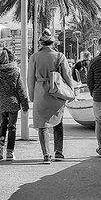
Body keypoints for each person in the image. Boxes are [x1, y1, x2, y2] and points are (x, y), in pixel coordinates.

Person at [27, 29, 74, 164]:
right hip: (57, 92)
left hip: (40, 92)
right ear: (53, 43)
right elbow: (67, 76)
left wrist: (32, 96)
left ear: (41, 43)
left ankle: (46, 155)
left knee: (42, 124)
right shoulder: (60, 56)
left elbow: (30, 78)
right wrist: (70, 92)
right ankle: (59, 152)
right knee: (58, 122)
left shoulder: (34, 57)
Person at [0, 48, 29, 161]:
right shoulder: (15, 72)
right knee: (12, 127)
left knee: (3, 124)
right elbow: (21, 90)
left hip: (0, 103)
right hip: (13, 103)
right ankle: (10, 153)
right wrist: (25, 106)